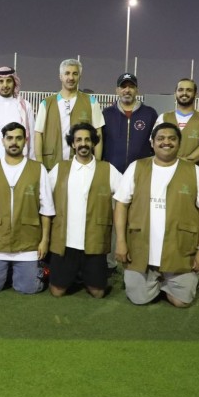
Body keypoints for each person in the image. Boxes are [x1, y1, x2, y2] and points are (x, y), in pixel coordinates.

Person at [114, 123, 199, 308]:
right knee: (139, 299)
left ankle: (166, 282)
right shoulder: (136, 167)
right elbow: (121, 204)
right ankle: (157, 282)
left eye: (171, 138)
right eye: (160, 138)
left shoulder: (193, 170)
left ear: (179, 143)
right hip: (140, 251)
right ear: (152, 143)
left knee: (182, 302)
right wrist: (121, 241)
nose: (166, 142)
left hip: (179, 251)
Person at [0, 122, 54, 294]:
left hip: (27, 242)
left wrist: (44, 241)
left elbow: (47, 209)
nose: (14, 142)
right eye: (9, 138)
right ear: (2, 141)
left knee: (29, 288)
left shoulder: (38, 169)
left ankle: (24, 271)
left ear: (25, 141)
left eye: (18, 138)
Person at [47, 122, 123, 298]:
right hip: (65, 242)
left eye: (87, 140)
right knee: (57, 292)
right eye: (79, 140)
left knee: (98, 293)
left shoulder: (108, 169)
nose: (83, 144)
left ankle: (83, 275)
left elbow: (125, 196)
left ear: (93, 143)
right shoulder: (60, 168)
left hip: (94, 241)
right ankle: (72, 273)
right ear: (73, 144)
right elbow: (44, 197)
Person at [34, 59, 105, 170]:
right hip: (51, 166)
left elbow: (98, 134)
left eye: (75, 73)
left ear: (80, 76)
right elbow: (38, 134)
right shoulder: (46, 103)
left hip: (83, 167)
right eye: (67, 73)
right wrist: (40, 166)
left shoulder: (91, 102)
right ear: (60, 76)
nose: (71, 78)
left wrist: (97, 165)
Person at [0, 66, 36, 173]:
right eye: (1, 81)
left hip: (19, 164)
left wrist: (32, 164)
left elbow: (31, 138)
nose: (5, 85)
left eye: (9, 81)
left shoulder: (25, 106)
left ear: (14, 83)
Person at [101, 72, 157, 174]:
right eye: (123, 87)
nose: (127, 90)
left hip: (141, 173)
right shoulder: (106, 114)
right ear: (117, 90)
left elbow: (156, 144)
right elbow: (100, 143)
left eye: (131, 86)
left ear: (137, 90)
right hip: (112, 173)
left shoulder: (150, 114)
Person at [160, 78, 199, 177]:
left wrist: (179, 165)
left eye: (189, 90)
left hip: (194, 175)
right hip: (165, 174)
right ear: (175, 94)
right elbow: (156, 144)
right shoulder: (163, 117)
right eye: (180, 90)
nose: (184, 93)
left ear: (195, 94)